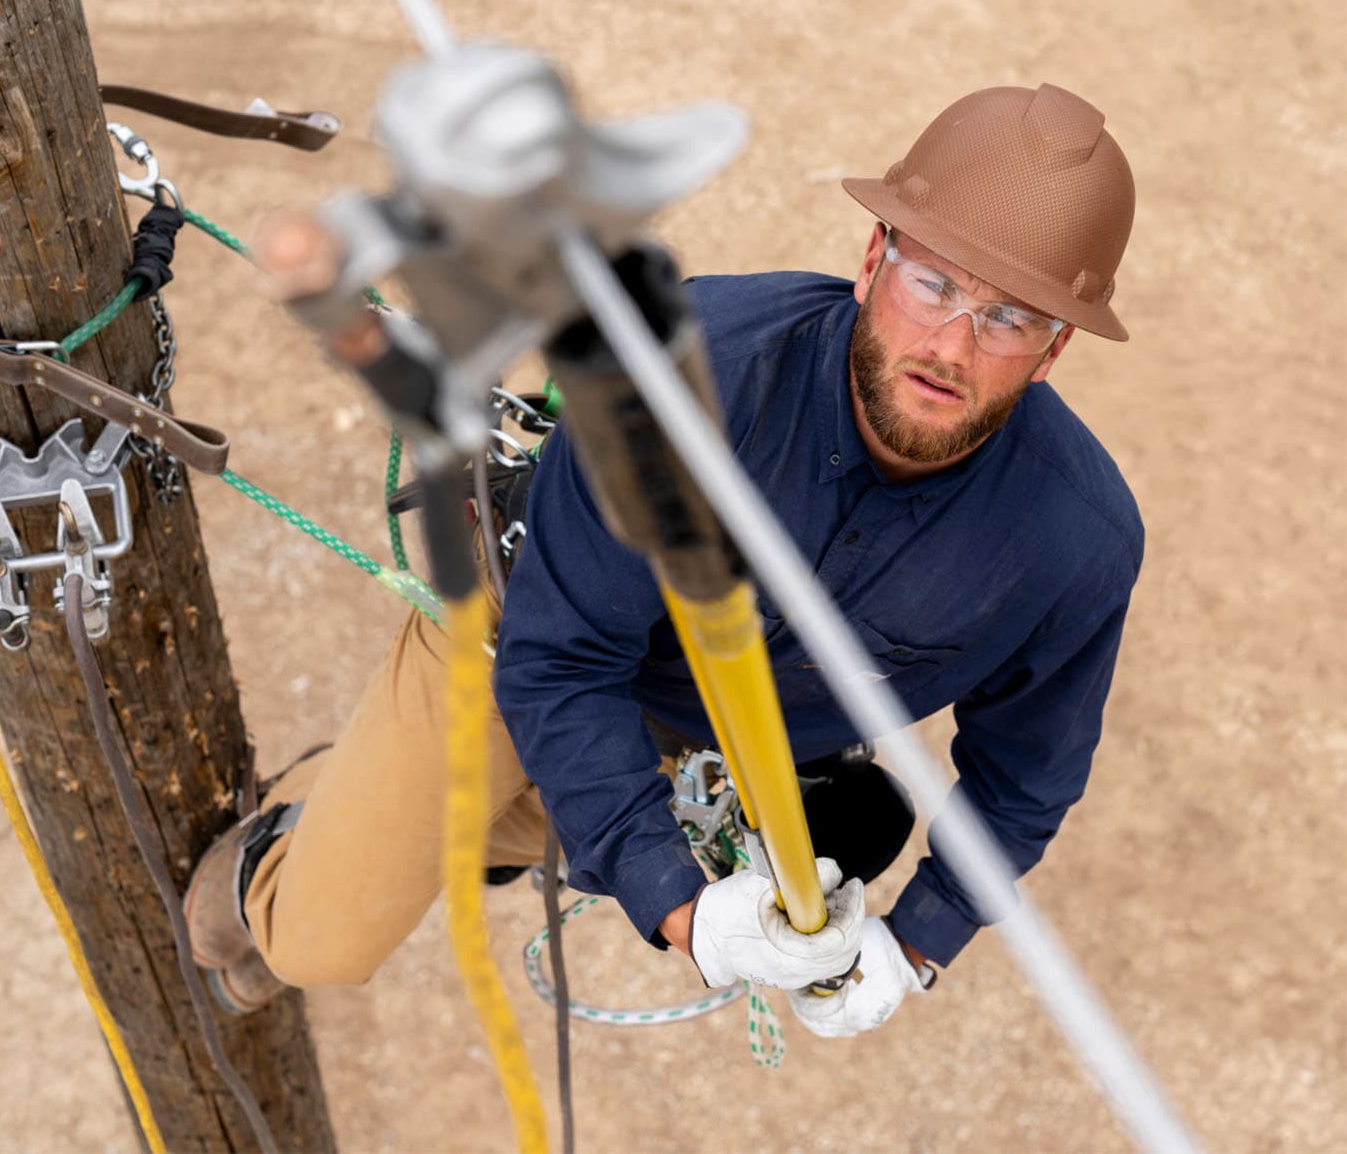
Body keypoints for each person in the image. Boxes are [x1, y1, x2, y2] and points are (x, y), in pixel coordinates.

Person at [184, 82, 1142, 1041]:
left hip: (715, 743)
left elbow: (1025, 781)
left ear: (1052, 353)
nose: (950, 345)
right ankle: (305, 827)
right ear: (871, 262)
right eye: (933, 283)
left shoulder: (1076, 544)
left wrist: (916, 945)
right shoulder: (682, 377)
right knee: (317, 944)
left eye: (1009, 318)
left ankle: (454, 815)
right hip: (529, 645)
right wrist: (685, 908)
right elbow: (559, 663)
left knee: (841, 825)